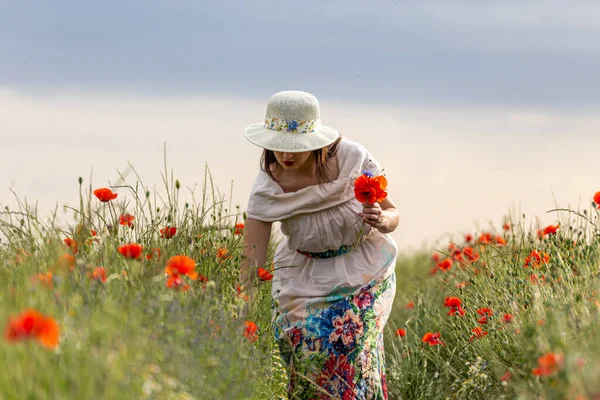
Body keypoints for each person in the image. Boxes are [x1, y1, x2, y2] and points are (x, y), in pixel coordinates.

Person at [242, 90, 399, 399]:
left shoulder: (353, 160)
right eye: (277, 147)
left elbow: (394, 213)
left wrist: (381, 218)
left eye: (295, 148)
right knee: (305, 363)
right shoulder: (267, 187)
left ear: (315, 142)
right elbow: (252, 262)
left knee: (349, 349)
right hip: (302, 279)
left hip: (361, 273)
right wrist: (244, 315)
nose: (285, 156)